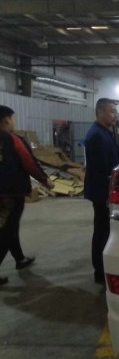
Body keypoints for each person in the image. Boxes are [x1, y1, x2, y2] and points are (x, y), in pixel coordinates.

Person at [0, 105, 54, 285]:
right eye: (13, 119)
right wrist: (45, 180)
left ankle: (20, 259)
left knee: (10, 226)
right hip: (11, 193)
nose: (14, 122)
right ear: (7, 120)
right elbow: (29, 163)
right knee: (6, 231)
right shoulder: (13, 139)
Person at [84, 98, 119, 285]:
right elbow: (100, 170)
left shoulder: (104, 132)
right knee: (102, 232)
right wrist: (108, 195)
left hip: (104, 190)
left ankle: (102, 268)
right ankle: (100, 271)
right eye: (111, 111)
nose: (115, 115)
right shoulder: (97, 136)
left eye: (116, 111)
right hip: (102, 193)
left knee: (104, 230)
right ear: (100, 111)